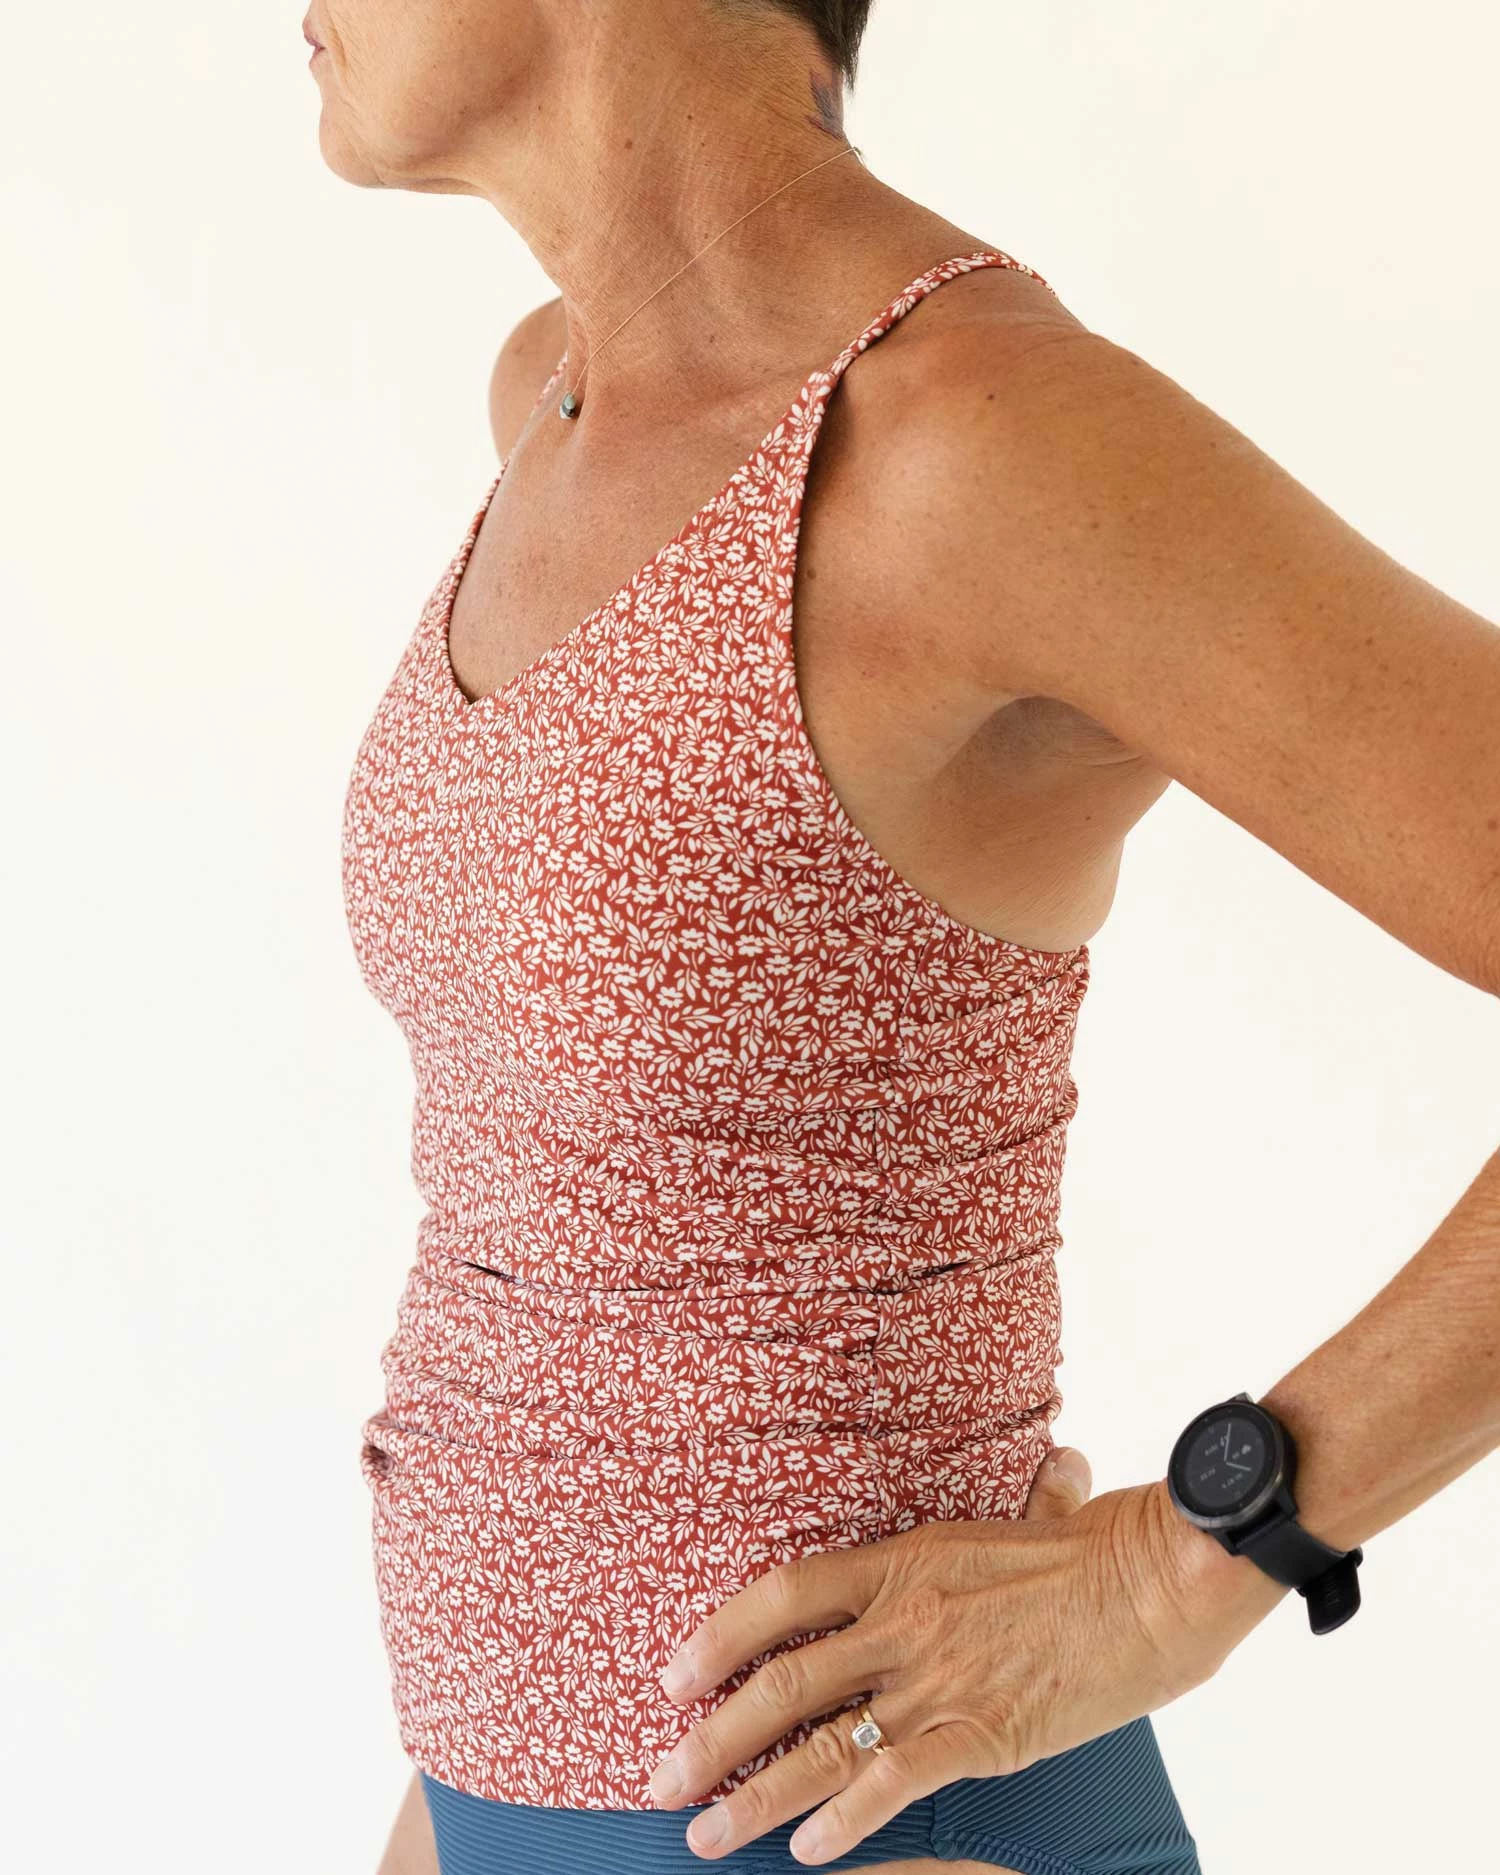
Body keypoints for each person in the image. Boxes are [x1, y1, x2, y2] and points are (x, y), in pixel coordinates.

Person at [315, 4, 1500, 1872]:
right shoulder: (552, 396)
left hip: (873, 1826)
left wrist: (1180, 1569)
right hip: (500, 1796)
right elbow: (571, 1234)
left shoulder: (974, 443)